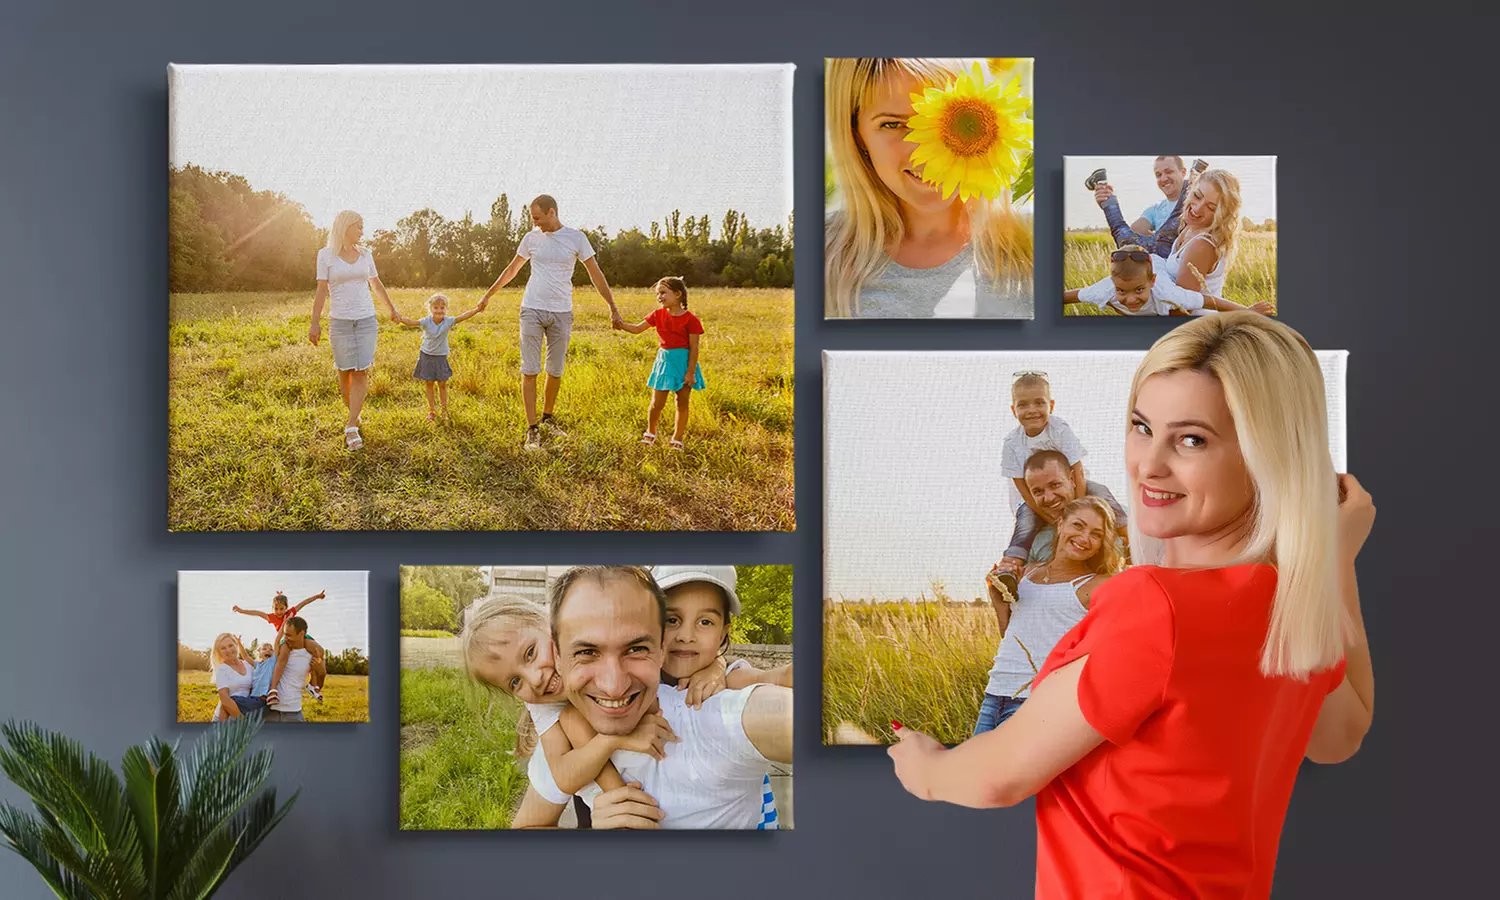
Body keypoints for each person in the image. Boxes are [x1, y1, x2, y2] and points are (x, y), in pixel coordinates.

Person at [887, 312, 1376, 898]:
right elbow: (1343, 734)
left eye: (1192, 439)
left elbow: (997, 778)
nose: (1149, 464)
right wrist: (1336, 561)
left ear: (1265, 455)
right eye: (1143, 427)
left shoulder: (1156, 607)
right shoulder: (1284, 601)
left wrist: (926, 768)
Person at [510, 566, 793, 829]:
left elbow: (776, 699)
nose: (685, 636)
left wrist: (720, 666)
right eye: (672, 619)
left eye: (635, 648)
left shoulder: (720, 695)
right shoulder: (569, 734)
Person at [824, 58, 1033, 318]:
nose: (924, 152)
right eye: (892, 124)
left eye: (948, 119)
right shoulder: (823, 254)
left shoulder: (1038, 239)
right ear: (857, 137)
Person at [461, 593, 679, 829]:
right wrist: (614, 739)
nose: (534, 679)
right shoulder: (556, 715)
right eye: (515, 682)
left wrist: (714, 670)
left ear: (554, 623)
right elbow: (563, 778)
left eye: (531, 653)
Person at [477, 195, 623, 452]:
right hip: (531, 309)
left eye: (538, 218)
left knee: (555, 370)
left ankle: (548, 418)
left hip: (562, 313)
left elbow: (595, 274)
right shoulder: (531, 239)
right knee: (530, 369)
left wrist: (612, 306)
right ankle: (532, 429)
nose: (535, 223)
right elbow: (512, 270)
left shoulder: (576, 238)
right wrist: (488, 295)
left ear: (552, 212)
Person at [975, 498, 1124, 735]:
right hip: (995, 693)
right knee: (977, 771)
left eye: (1096, 534)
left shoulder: (1097, 585)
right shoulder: (1027, 572)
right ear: (1061, 524)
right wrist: (998, 599)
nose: (1085, 538)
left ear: (1101, 544)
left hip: (1039, 701)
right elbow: (1010, 636)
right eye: (1078, 525)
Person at [1073, 167, 1262, 316]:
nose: (1196, 208)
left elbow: (1181, 310)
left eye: (1211, 207)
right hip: (1158, 262)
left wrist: (1124, 304)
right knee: (1127, 237)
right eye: (1196, 196)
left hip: (1195, 329)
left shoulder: (1201, 245)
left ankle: (1104, 191)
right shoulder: (1190, 227)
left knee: (1123, 237)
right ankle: (1106, 193)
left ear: (1222, 214)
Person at [309, 210, 399, 450]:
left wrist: (391, 308)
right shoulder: (325, 255)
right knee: (344, 373)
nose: (362, 231)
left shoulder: (366, 255)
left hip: (366, 320)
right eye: (358, 227)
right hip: (340, 322)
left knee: (361, 371)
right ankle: (354, 413)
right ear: (345, 228)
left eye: (362, 227)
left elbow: (376, 284)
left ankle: (351, 426)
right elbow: (320, 290)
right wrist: (314, 322)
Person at [991, 449, 1130, 594]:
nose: (1049, 497)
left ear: (1072, 479)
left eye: (1055, 485)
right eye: (1038, 492)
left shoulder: (1116, 515)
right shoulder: (1032, 539)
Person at [614, 276, 706, 450]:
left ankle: (677, 439)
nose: (659, 297)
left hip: (683, 363)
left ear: (678, 294)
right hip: (664, 362)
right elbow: (637, 329)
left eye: (663, 293)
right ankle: (650, 432)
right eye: (658, 294)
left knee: (682, 401)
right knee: (657, 403)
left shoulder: (691, 320)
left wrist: (690, 372)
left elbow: (694, 347)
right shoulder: (657, 315)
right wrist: (621, 324)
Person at [1064, 245, 1272, 316]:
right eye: (1121, 291)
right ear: (1113, 284)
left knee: (1161, 243)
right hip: (1141, 261)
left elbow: (1209, 300)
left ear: (1152, 282)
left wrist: (1248, 311)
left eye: (1138, 290)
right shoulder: (1103, 290)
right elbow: (1069, 296)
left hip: (1159, 261)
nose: (1130, 299)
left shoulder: (1168, 294)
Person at [1001, 371, 1088, 530]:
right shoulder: (1011, 444)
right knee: (1026, 523)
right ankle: (1016, 553)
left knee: (1099, 492)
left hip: (1072, 487)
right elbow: (1023, 490)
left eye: (1039, 403)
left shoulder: (1059, 430)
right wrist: (1048, 519)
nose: (1031, 410)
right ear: (1014, 411)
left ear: (1051, 406)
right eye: (1023, 405)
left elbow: (1078, 472)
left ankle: (1124, 529)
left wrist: (1077, 512)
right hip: (1032, 500)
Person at [390, 292, 489, 421]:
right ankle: (432, 411)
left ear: (446, 309)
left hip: (441, 357)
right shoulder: (426, 321)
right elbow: (411, 322)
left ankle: (444, 411)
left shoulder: (448, 321)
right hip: (427, 356)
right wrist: (400, 318)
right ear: (431, 309)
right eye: (436, 307)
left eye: (442, 307)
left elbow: (463, 317)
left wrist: (476, 310)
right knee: (429, 383)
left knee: (442, 384)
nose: (439, 310)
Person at [232, 590, 327, 700]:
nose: (279, 611)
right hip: (284, 639)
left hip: (299, 636)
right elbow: (257, 613)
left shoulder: (290, 613)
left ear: (286, 607)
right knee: (283, 656)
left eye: (281, 608)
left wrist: (317, 596)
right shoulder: (272, 617)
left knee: (318, 651)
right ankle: (273, 688)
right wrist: (241, 610)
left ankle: (312, 685)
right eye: (276, 609)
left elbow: (304, 603)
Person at [264, 617, 316, 722]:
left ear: (301, 634)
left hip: (293, 711)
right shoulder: (282, 650)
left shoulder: (310, 655)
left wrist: (317, 664)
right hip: (270, 709)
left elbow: (318, 678)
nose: (286, 638)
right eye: (285, 634)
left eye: (289, 635)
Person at [208, 632, 255, 722]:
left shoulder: (248, 665)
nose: (228, 650)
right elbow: (225, 700)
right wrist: (242, 720)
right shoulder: (222, 669)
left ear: (236, 645)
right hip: (228, 718)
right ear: (219, 652)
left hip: (246, 711)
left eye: (230, 646)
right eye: (223, 648)